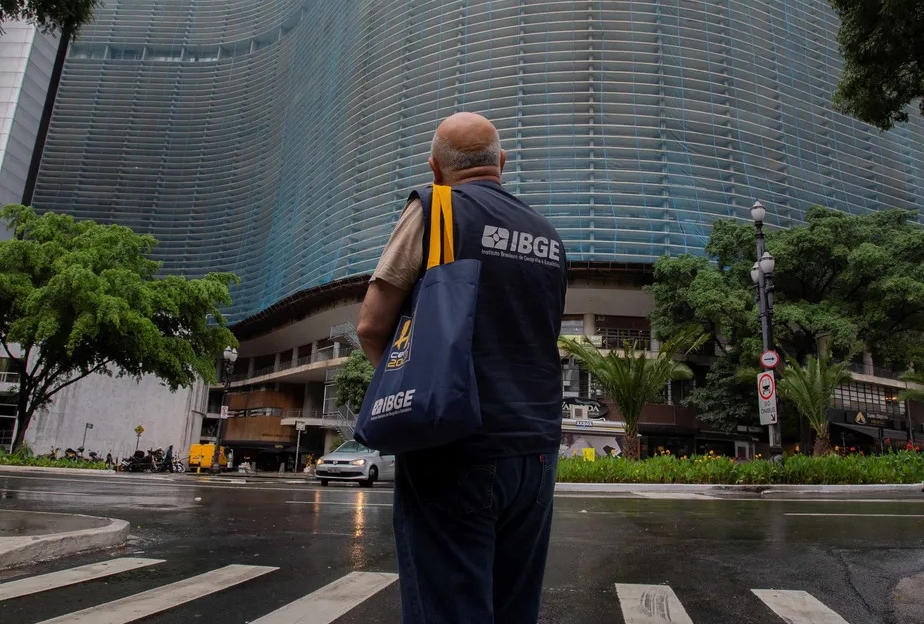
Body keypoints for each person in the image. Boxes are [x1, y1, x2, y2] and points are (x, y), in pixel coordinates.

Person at [357, 112, 568, 624]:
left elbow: (370, 324)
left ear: (434, 168)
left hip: (454, 443)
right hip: (536, 452)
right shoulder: (547, 235)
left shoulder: (436, 206)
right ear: (502, 162)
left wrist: (404, 386)